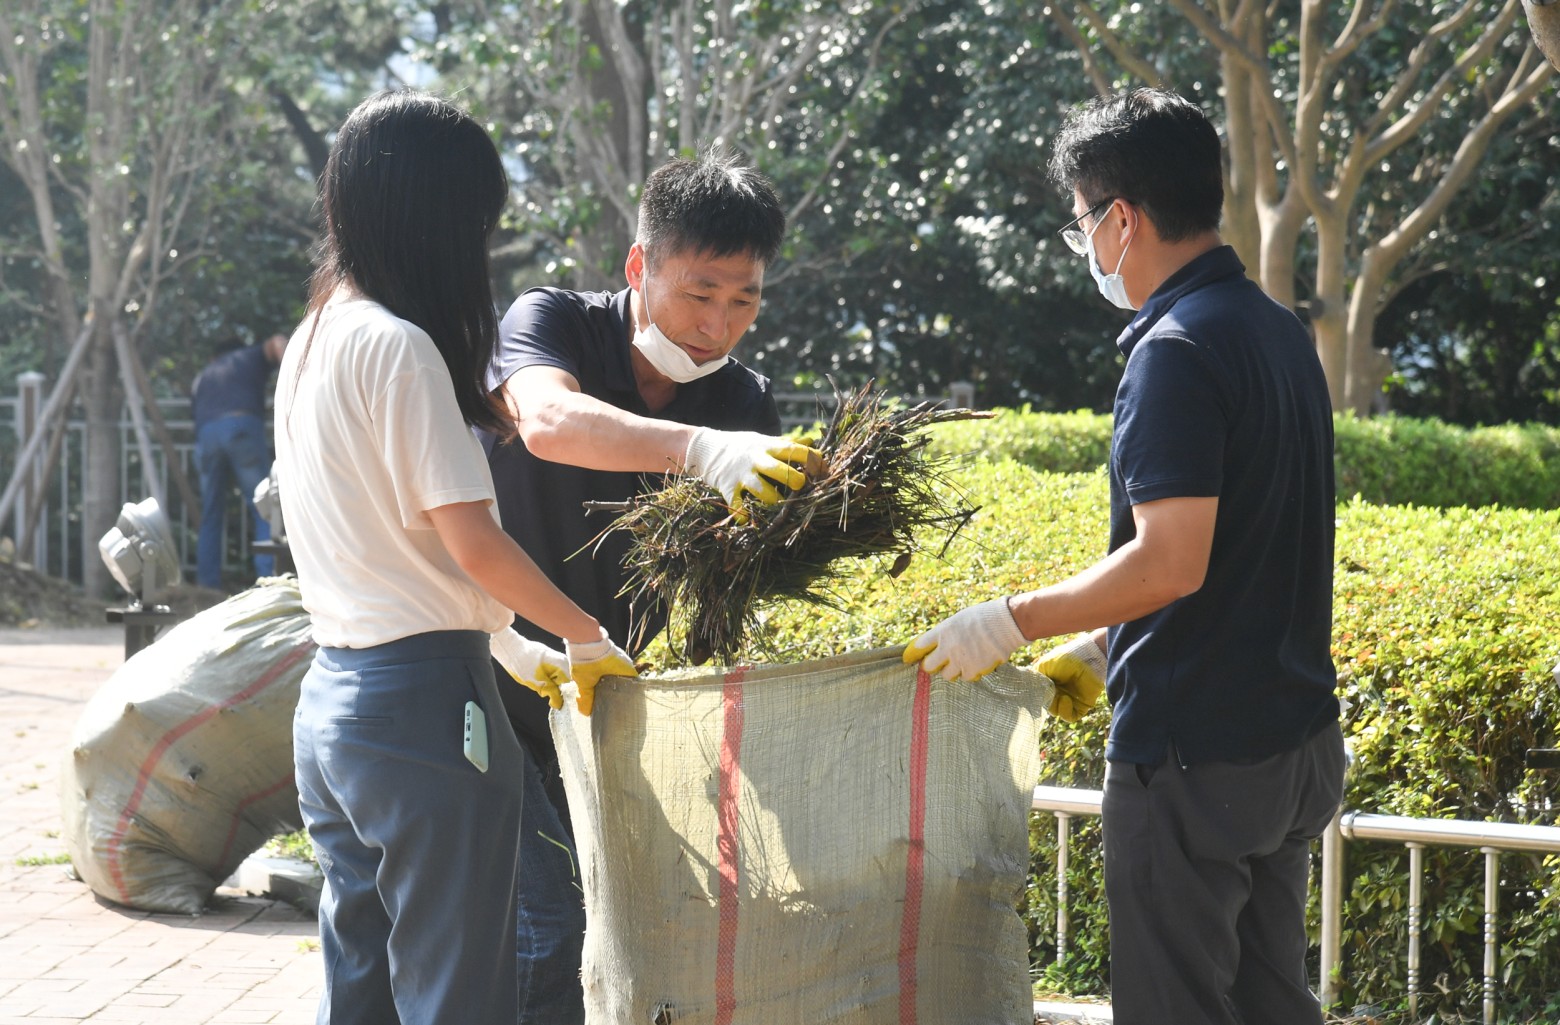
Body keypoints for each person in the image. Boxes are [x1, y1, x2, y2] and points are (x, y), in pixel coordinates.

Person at [903, 88, 1344, 1025]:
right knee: (1272, 1003)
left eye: (1082, 224)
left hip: (1194, 759)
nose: (1086, 246)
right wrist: (1110, 643)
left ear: (1122, 219)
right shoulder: (1276, 329)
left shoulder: (1174, 350)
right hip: (1294, 744)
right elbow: (1256, 537)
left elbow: (1172, 562)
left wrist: (1006, 622)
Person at [273, 90, 635, 1025]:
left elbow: (383, 538)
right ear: (441, 219)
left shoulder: (314, 336)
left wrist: (510, 643)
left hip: (334, 700)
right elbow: (471, 540)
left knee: (362, 978)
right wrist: (583, 633)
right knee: (458, 986)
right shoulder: (399, 348)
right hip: (424, 704)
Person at [480, 152, 819, 1024]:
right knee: (547, 930)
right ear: (639, 265)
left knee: (619, 931)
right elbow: (546, 420)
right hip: (490, 677)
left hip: (607, 706)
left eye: (743, 300)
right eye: (699, 292)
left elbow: (728, 585)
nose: (717, 325)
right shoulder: (552, 322)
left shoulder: (743, 404)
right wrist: (697, 450)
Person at [191, 332, 286, 588]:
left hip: (207, 436)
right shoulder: (249, 356)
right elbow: (276, 341)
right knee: (264, 506)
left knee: (211, 513)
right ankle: (269, 582)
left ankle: (207, 586)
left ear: (214, 357)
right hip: (241, 428)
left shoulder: (203, 376)